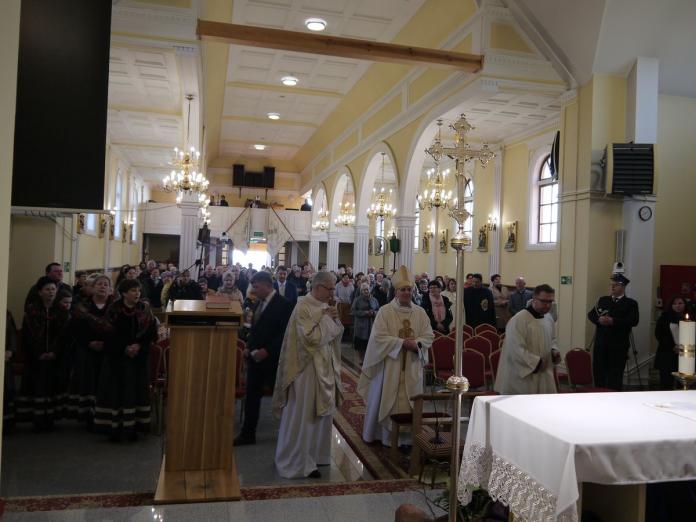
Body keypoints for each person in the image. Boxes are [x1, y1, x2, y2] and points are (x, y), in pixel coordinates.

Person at [272, 271, 344, 478]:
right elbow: (309, 339)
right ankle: (298, 462)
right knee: (304, 414)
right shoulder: (302, 306)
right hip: (306, 369)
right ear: (318, 287)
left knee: (322, 412)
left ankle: (318, 455)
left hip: (324, 364)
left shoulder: (325, 305)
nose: (332, 293)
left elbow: (334, 335)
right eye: (330, 289)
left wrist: (335, 321)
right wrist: (328, 320)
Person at [359, 266, 434, 446]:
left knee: (411, 401)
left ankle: (406, 440)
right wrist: (401, 343)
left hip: (412, 364)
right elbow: (378, 337)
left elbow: (428, 335)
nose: (407, 293)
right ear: (396, 292)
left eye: (409, 289)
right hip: (389, 366)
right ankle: (386, 438)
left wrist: (416, 344)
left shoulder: (420, 312)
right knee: (388, 399)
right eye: (403, 289)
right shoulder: (385, 311)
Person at [94, 279, 157, 442]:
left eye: (138, 290)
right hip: (117, 358)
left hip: (138, 358)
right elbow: (107, 333)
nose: (137, 293)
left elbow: (151, 332)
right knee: (118, 391)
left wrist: (138, 345)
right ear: (123, 293)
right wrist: (125, 347)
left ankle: (134, 427)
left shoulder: (144, 309)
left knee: (136, 391)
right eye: (133, 291)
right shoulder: (114, 309)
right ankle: (116, 428)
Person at [235, 271, 293, 445]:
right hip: (255, 360)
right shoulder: (257, 303)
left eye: (256, 286)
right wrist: (248, 347)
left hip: (274, 361)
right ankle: (248, 434)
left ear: (267, 285)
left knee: (283, 399)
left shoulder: (284, 304)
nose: (253, 290)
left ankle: (289, 435)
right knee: (252, 398)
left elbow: (285, 334)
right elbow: (253, 329)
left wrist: (267, 351)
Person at [17, 276, 70, 430]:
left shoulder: (62, 312)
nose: (51, 292)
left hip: (55, 358)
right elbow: (27, 337)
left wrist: (55, 352)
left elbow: (65, 337)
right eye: (47, 289)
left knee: (52, 386)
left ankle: (51, 419)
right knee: (37, 386)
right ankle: (38, 420)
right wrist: (38, 352)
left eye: (53, 289)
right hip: (36, 358)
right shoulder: (32, 311)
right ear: (40, 292)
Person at [494, 284, 560, 394]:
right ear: (534, 299)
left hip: (544, 373)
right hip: (523, 378)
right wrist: (536, 362)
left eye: (550, 301)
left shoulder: (549, 319)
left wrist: (554, 351)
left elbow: (552, 339)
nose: (548, 305)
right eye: (544, 301)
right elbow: (515, 349)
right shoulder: (519, 320)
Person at [68, 274, 114, 427]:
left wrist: (106, 343)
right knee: (88, 382)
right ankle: (88, 416)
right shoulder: (82, 307)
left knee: (105, 383)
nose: (102, 287)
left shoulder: (115, 307)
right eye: (99, 284)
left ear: (110, 289)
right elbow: (76, 329)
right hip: (87, 350)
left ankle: (104, 416)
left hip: (109, 351)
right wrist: (89, 342)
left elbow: (119, 329)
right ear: (92, 288)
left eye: (105, 284)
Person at [587, 274, 640, 391]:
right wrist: (599, 320)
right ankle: (598, 395)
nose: (613, 287)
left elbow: (634, 321)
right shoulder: (603, 300)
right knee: (599, 373)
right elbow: (591, 315)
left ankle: (614, 397)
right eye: (612, 284)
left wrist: (613, 321)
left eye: (616, 285)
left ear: (623, 287)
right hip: (601, 344)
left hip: (618, 346)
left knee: (615, 376)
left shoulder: (630, 303)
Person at [654, 296, 687, 390]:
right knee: (666, 383)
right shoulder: (664, 317)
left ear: (685, 305)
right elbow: (659, 335)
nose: (677, 306)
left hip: (686, 356)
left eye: (680, 303)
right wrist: (673, 346)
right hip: (667, 354)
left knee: (683, 384)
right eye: (674, 304)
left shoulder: (691, 317)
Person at [351, 283, 379, 365]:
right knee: (360, 343)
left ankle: (369, 358)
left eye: (367, 289)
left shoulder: (374, 300)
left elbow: (378, 310)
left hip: (371, 324)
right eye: (364, 290)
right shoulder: (357, 300)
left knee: (370, 343)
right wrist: (365, 313)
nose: (366, 291)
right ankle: (361, 359)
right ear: (361, 291)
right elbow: (353, 311)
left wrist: (374, 312)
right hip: (361, 325)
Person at [4, 311, 18, 431]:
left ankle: (8, 423)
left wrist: (10, 351)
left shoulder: (6, 314)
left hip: (5, 358)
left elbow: (12, 335)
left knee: (8, 389)